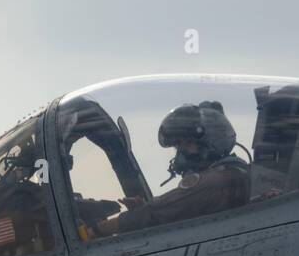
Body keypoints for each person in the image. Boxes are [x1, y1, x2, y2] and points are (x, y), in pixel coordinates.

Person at [97, 101, 250, 236]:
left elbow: (157, 213)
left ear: (212, 143)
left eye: (188, 144)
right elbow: (177, 208)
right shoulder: (233, 174)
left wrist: (95, 231)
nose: (180, 154)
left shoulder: (218, 181)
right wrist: (147, 207)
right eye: (178, 147)